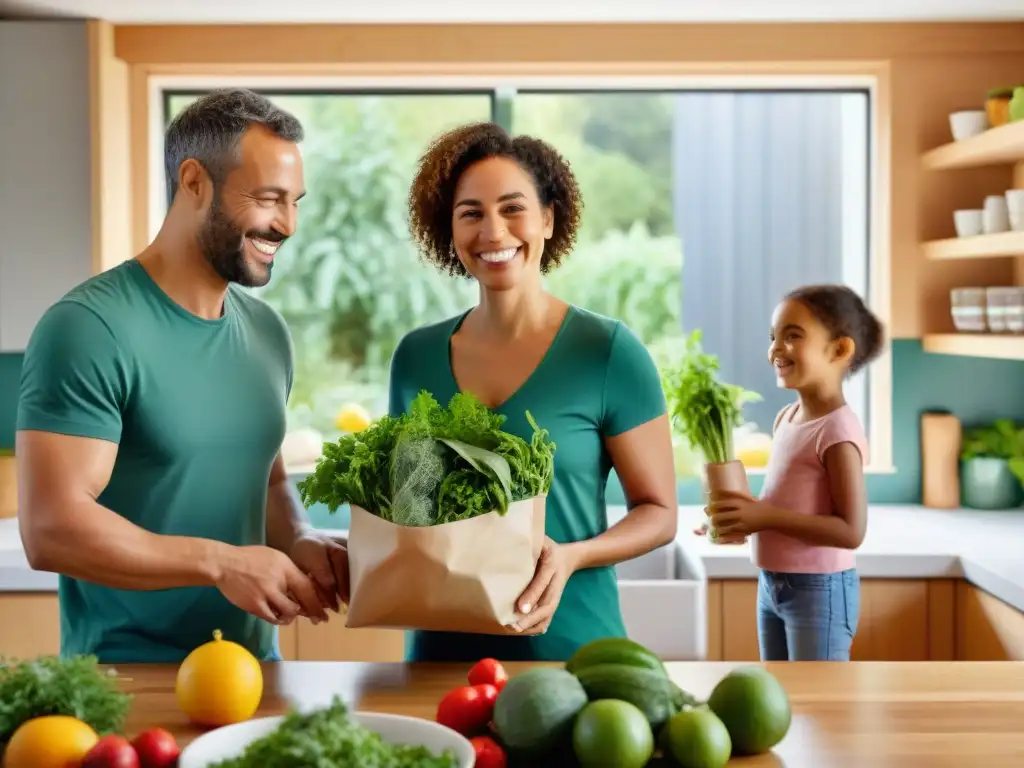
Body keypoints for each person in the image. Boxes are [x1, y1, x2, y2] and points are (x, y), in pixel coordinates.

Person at [16, 88, 347, 664]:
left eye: (296, 202)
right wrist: (222, 562)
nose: (288, 224)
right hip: (125, 678)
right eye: (269, 198)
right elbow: (51, 528)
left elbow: (264, 478)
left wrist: (296, 535)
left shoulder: (267, 331)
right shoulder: (90, 327)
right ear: (194, 181)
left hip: (253, 671)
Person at [390, 122, 679, 662]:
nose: (493, 232)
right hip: (441, 658)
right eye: (470, 213)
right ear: (448, 230)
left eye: (512, 208)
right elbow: (408, 511)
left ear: (548, 218)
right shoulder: (414, 358)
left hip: (576, 655)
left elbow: (659, 512)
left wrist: (571, 556)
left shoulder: (609, 352)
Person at [708, 284, 884, 661]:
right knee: (780, 700)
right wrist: (739, 517)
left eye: (793, 336)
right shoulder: (786, 418)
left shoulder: (837, 431)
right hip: (772, 584)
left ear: (840, 349)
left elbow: (851, 531)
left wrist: (765, 516)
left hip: (820, 589)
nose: (776, 349)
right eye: (773, 337)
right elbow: (788, 503)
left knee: (816, 704)